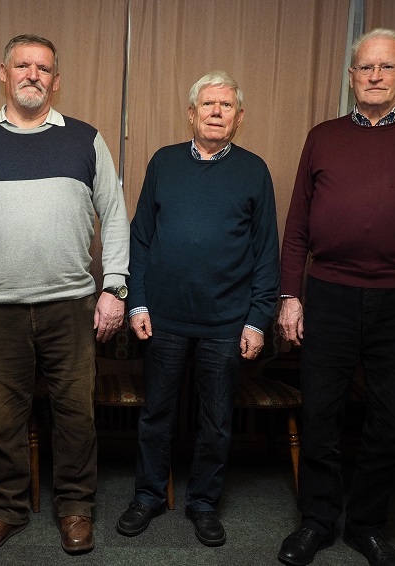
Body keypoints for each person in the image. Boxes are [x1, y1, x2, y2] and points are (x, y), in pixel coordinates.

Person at [0, 34, 129, 555]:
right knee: (3, 418)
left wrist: (115, 287)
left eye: (43, 68)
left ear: (56, 80)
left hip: (71, 308)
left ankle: (77, 508)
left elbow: (116, 215)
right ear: (3, 73)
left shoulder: (86, 140)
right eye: (23, 65)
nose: (32, 74)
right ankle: (7, 510)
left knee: (75, 415)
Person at [276, 28, 395, 566]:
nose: (375, 76)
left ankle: (366, 525)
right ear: (352, 75)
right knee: (320, 414)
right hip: (331, 294)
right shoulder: (323, 135)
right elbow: (296, 230)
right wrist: (291, 295)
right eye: (365, 67)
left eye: (386, 67)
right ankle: (315, 521)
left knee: (388, 419)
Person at [116, 71, 280, 547]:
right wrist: (137, 301)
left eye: (225, 106)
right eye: (207, 104)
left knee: (216, 420)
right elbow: (141, 237)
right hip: (163, 318)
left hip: (227, 323)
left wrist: (257, 319)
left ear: (239, 116)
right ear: (191, 113)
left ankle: (204, 503)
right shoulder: (164, 163)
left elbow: (266, 251)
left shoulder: (254, 170)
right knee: (156, 415)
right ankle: (147, 497)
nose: (215, 112)